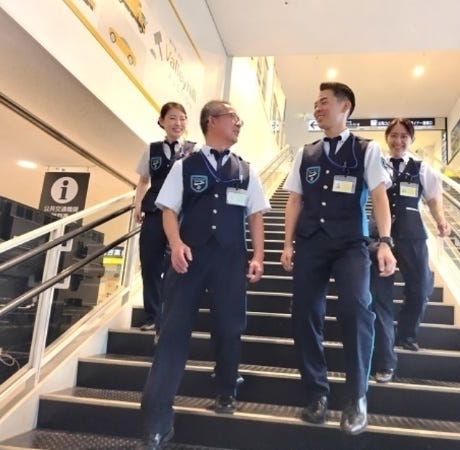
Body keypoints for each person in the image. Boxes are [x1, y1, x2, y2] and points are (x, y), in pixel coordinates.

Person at [140, 100, 270, 450]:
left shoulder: (247, 170)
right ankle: (156, 420)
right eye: (234, 118)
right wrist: (175, 244)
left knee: (230, 326)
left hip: (230, 259)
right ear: (212, 121)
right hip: (189, 258)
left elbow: (256, 215)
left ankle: (226, 388)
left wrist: (258, 256)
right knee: (172, 332)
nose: (239, 124)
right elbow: (168, 210)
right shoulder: (184, 166)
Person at [280, 82, 396, 435]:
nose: (318, 108)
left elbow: (379, 196)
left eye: (324, 102)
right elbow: (294, 200)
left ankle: (357, 397)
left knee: (356, 309)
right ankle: (316, 393)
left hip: (350, 244)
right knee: (304, 314)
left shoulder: (366, 149)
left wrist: (385, 242)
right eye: (315, 103)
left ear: (345, 107)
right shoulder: (306, 153)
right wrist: (287, 244)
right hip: (310, 243)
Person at [370, 118, 450, 384]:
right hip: (381, 236)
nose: (398, 141)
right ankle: (385, 352)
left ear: (411, 140)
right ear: (387, 138)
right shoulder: (377, 164)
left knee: (421, 288)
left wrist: (441, 220)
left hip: (413, 235)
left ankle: (406, 334)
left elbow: (433, 198)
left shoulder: (421, 168)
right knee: (380, 297)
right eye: (394, 135)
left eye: (404, 136)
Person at [133, 102, 198, 332]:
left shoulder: (194, 150)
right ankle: (153, 315)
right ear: (161, 121)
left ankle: (174, 315)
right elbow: (143, 181)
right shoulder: (151, 149)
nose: (177, 123)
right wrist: (137, 204)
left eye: (182, 118)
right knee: (150, 263)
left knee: (178, 265)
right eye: (172, 118)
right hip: (153, 212)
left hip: (181, 215)